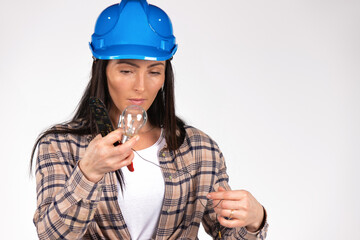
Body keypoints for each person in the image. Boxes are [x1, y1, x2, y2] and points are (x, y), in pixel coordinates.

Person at [31, 0, 268, 239]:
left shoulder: (199, 149)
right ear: (102, 70)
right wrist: (88, 172)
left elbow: (227, 232)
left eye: (154, 72)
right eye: (126, 71)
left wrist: (255, 220)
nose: (141, 87)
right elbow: (51, 235)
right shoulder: (60, 145)